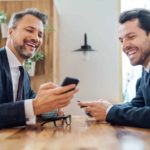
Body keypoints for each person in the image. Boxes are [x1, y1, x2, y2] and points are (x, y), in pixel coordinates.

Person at [0, 8, 78, 129]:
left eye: (40, 35)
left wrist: (49, 108)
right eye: (30, 30)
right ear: (11, 32)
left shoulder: (23, 74)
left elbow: (28, 105)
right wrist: (35, 106)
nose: (36, 38)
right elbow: (31, 105)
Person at [78, 8, 150, 129]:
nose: (125, 46)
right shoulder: (145, 70)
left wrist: (110, 112)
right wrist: (104, 107)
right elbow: (137, 105)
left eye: (131, 37)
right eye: (121, 40)